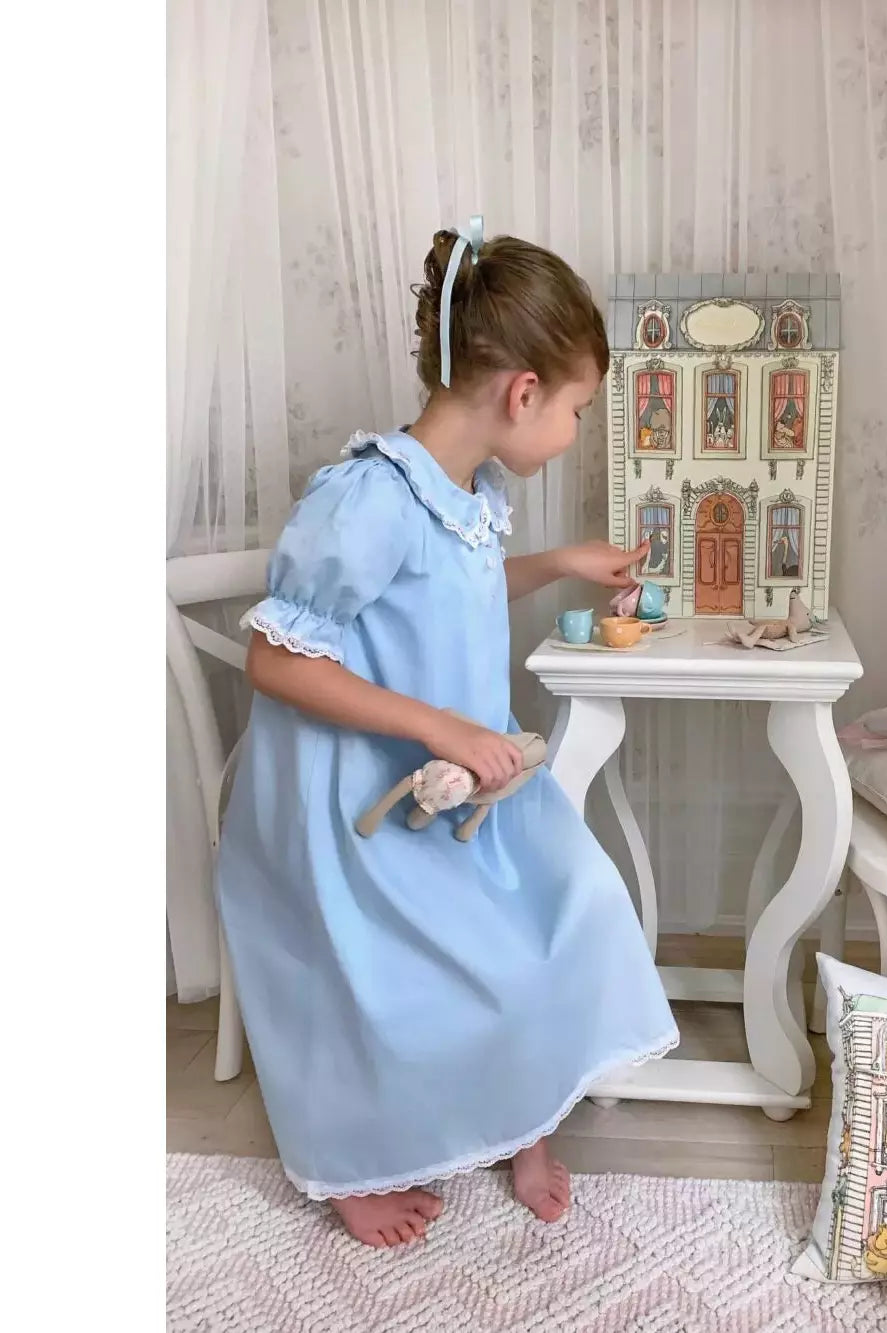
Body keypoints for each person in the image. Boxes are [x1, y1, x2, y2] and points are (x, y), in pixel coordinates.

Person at [216, 220, 679, 1249]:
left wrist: (558, 563)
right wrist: (441, 725)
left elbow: (445, 588)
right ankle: (354, 1160)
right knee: (448, 972)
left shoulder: (466, 491)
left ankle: (524, 1118)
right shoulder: (364, 500)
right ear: (523, 392)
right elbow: (277, 661)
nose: (574, 431)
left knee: (577, 904)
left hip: (461, 777)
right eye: (576, 410)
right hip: (359, 802)